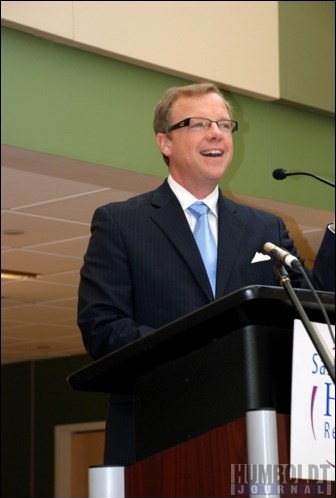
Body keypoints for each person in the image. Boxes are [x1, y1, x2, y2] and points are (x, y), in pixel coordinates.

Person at [77, 82, 335, 465]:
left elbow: (314, 315)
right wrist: (200, 356)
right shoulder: (120, 223)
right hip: (156, 433)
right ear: (165, 142)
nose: (216, 133)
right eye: (198, 123)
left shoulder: (265, 228)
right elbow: (102, 327)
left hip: (254, 435)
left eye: (224, 124)